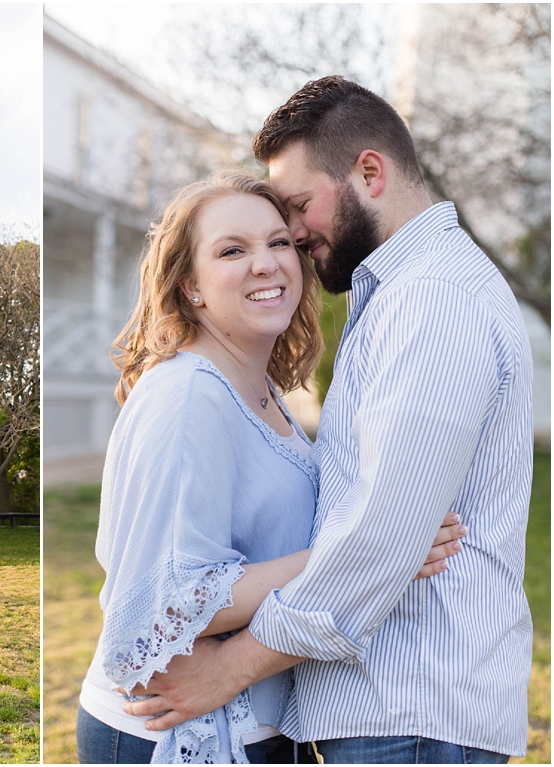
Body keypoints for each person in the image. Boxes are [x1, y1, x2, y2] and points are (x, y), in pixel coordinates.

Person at [123, 76, 533, 765]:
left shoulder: (431, 300)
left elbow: (379, 537)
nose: (294, 234)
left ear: (368, 172)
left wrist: (229, 669)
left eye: (299, 206)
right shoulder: (404, 292)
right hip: (399, 711)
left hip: (411, 711)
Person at [76, 171, 465, 764]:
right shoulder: (187, 395)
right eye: (233, 250)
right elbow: (167, 597)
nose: (266, 263)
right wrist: (374, 551)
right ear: (191, 286)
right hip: (171, 729)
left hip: (259, 720)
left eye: (278, 242)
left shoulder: (262, 390)